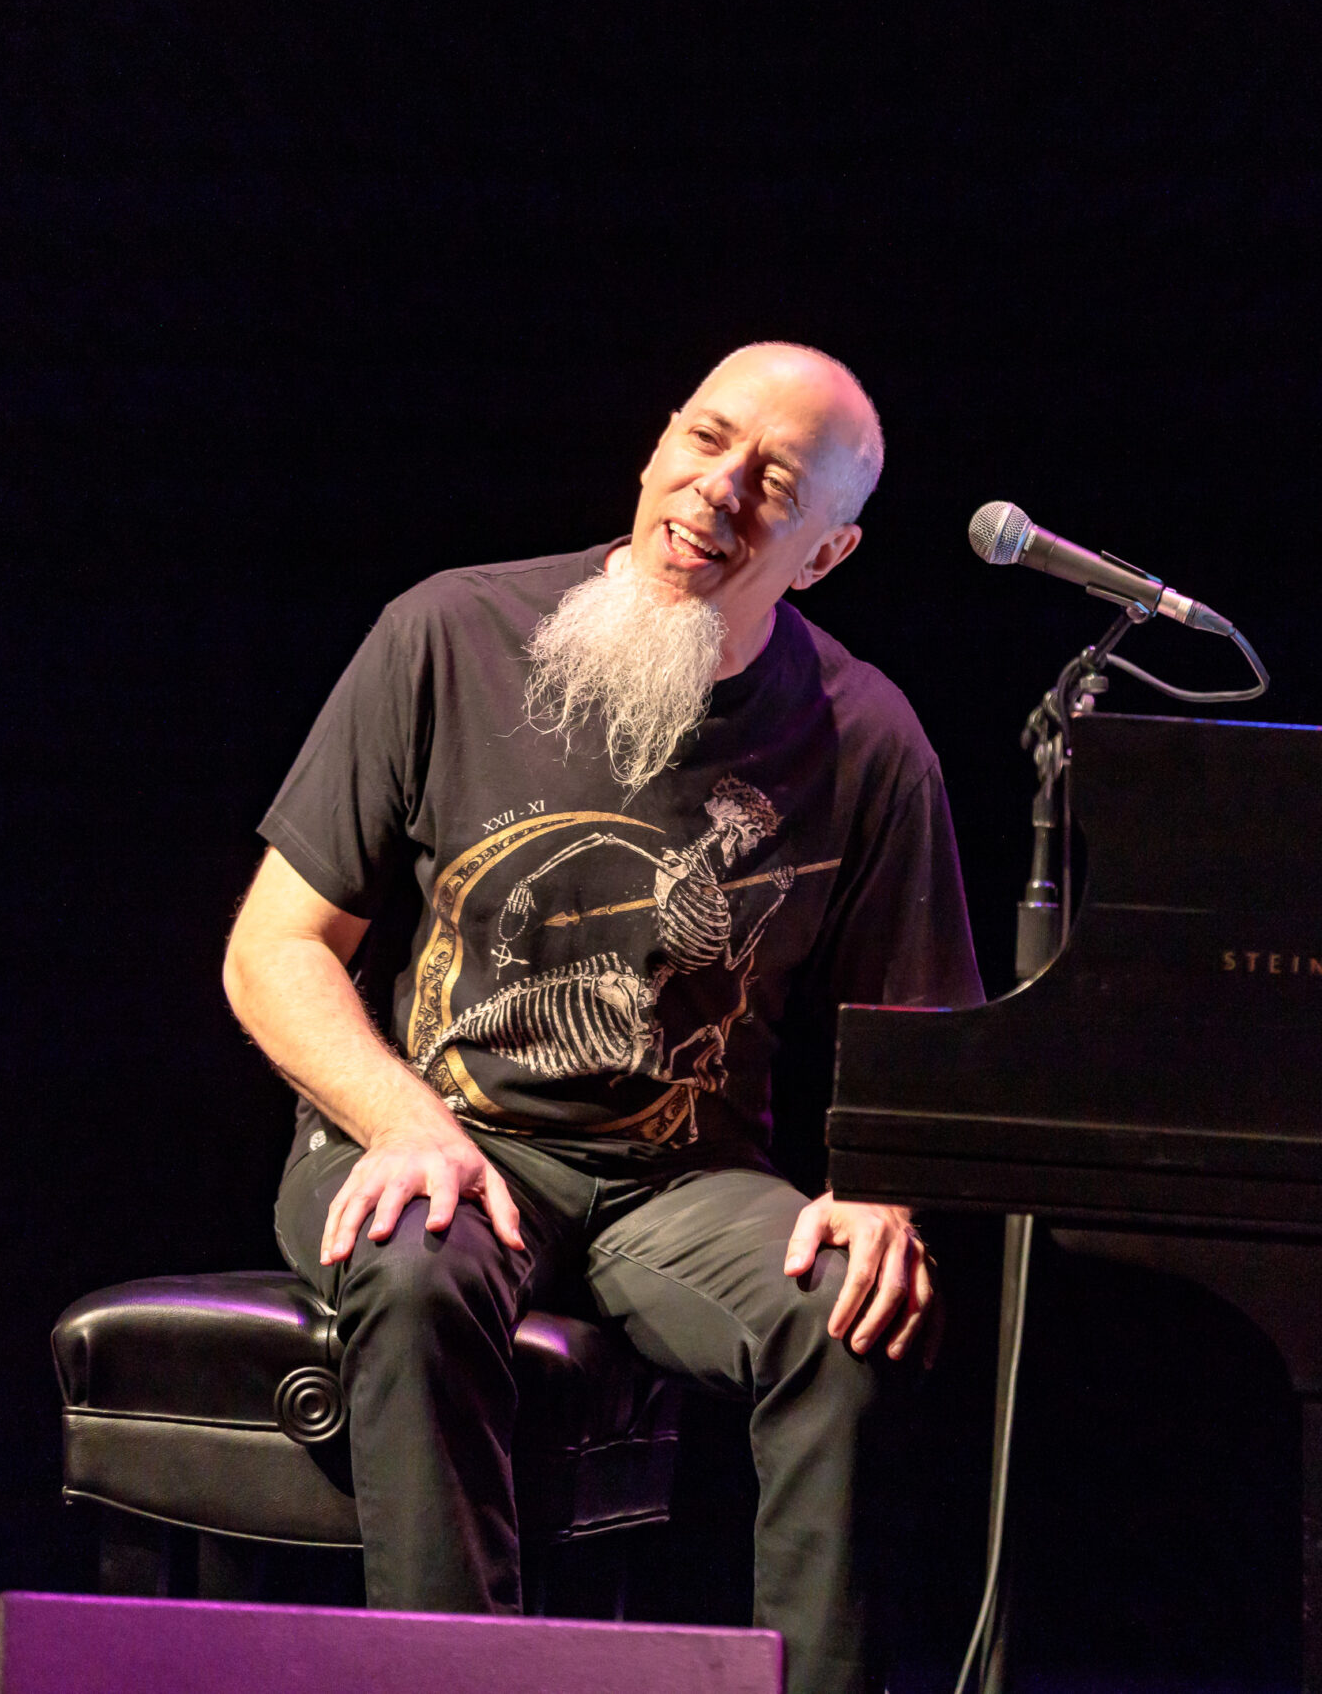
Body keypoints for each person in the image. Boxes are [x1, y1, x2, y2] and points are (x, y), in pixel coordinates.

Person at [221, 341, 982, 1694]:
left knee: (848, 1312)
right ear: (656, 443)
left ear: (826, 553)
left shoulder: (867, 738)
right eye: (706, 438)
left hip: (676, 1189)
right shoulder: (449, 632)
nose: (719, 488)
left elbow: (926, 1035)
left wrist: (884, 1192)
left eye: (776, 483)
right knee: (413, 1259)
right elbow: (274, 946)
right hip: (438, 1135)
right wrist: (402, 1120)